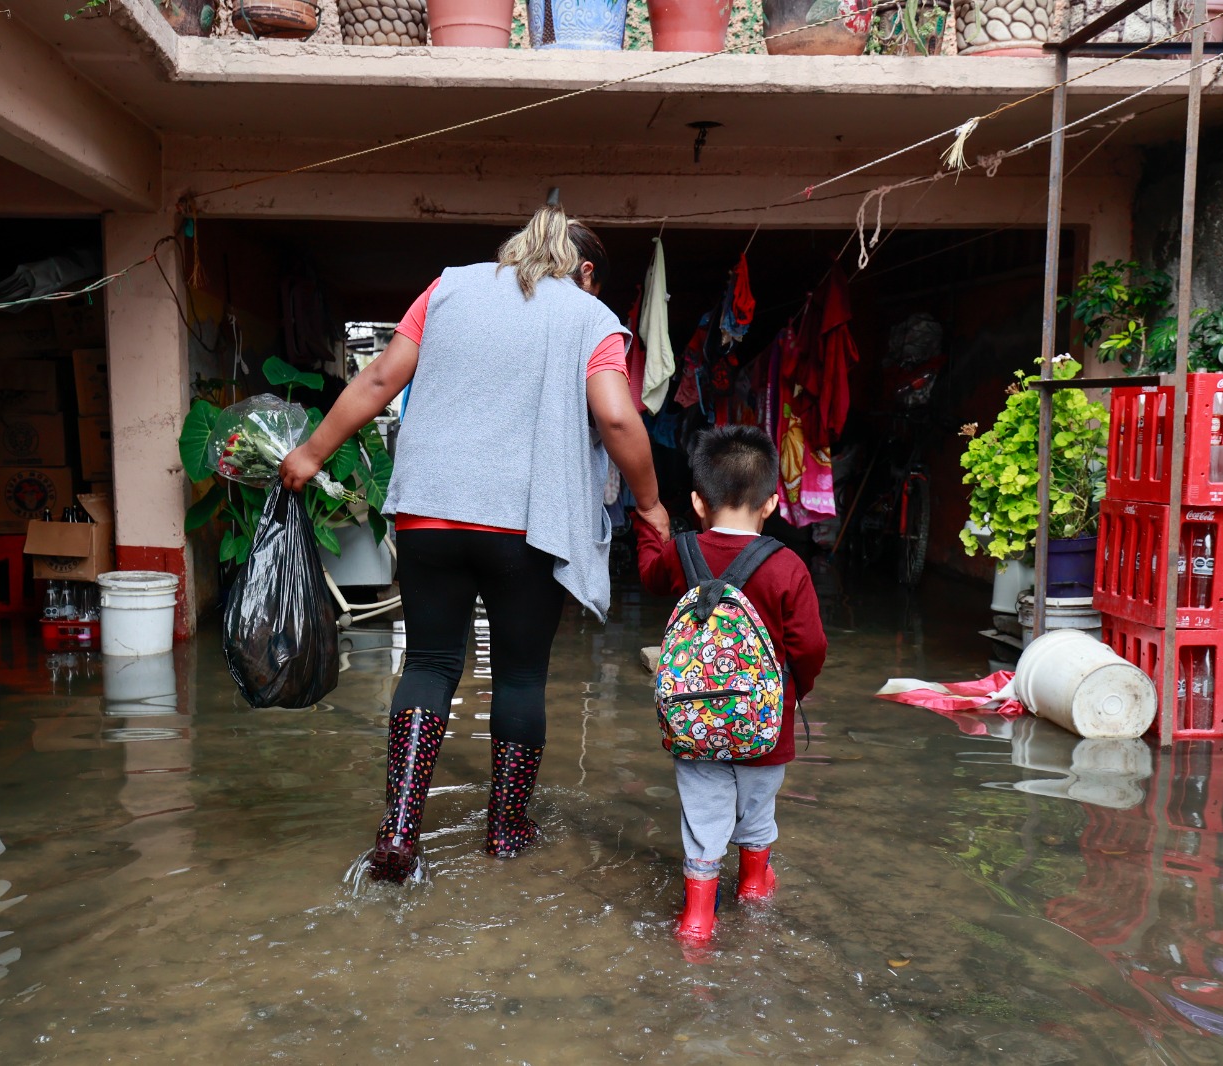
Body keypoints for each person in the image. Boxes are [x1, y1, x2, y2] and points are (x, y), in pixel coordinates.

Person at [281, 203, 671, 883]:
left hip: (429, 514)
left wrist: (311, 455)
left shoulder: (447, 287)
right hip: (527, 523)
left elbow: (377, 380)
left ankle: (401, 830)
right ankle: (507, 832)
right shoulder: (590, 318)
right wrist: (651, 504)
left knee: (430, 664)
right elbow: (614, 414)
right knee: (520, 675)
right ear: (583, 271)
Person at [636, 425, 827, 942]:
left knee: (704, 814)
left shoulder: (680, 554)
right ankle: (753, 886)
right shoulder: (787, 566)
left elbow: (651, 575)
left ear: (698, 502)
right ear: (770, 504)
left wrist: (651, 527)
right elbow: (810, 647)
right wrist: (793, 693)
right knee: (758, 806)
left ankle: (697, 917)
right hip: (767, 724)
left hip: (694, 719)